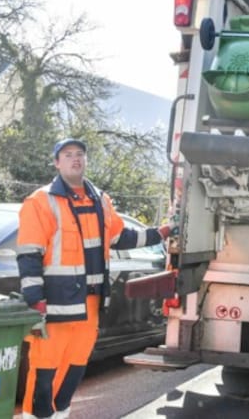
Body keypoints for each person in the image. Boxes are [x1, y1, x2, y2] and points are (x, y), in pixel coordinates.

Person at [16, 138, 175, 419]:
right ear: (56, 162)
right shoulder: (40, 201)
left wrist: (159, 233)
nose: (75, 159)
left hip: (90, 302)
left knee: (77, 364)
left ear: (85, 160)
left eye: (80, 154)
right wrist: (34, 300)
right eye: (67, 155)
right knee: (45, 366)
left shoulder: (100, 199)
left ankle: (60, 414)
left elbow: (119, 237)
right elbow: (29, 254)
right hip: (55, 302)